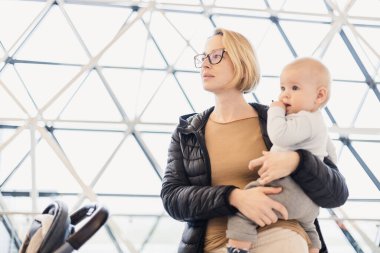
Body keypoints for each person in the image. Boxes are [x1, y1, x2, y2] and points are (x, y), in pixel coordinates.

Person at [160, 28, 348, 253]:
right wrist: (234, 197)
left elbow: (336, 193)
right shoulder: (187, 131)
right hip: (211, 246)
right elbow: (172, 198)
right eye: (203, 57)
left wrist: (298, 162)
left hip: (279, 236)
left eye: (215, 56)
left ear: (242, 61)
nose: (205, 64)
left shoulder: (285, 121)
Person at [226, 57, 337, 253]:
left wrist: (275, 110)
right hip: (308, 202)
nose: (284, 95)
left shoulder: (305, 119)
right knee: (309, 228)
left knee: (247, 203)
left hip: (288, 189)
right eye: (283, 88)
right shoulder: (317, 123)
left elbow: (279, 135)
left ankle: (238, 247)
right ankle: (313, 247)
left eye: (294, 88)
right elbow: (332, 157)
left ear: (319, 96)